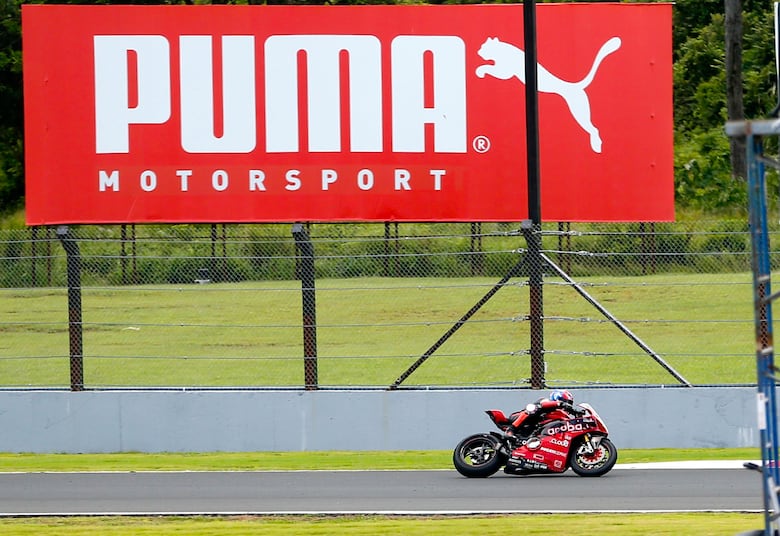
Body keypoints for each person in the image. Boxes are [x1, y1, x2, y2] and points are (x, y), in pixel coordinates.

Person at [506, 389, 586, 439]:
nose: (568, 405)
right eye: (567, 402)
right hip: (518, 418)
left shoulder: (559, 413)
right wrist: (561, 404)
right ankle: (511, 430)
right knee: (533, 408)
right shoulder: (545, 401)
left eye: (569, 404)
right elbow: (544, 405)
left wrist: (577, 415)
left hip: (533, 429)